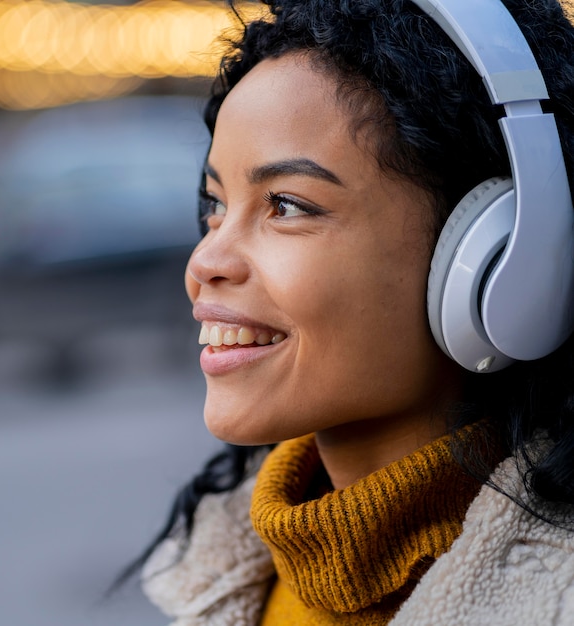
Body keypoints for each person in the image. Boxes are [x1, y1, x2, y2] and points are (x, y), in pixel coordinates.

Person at [126, 0, 574, 623]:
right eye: (216, 203)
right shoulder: (217, 582)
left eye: (285, 205)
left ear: (503, 257)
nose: (205, 260)